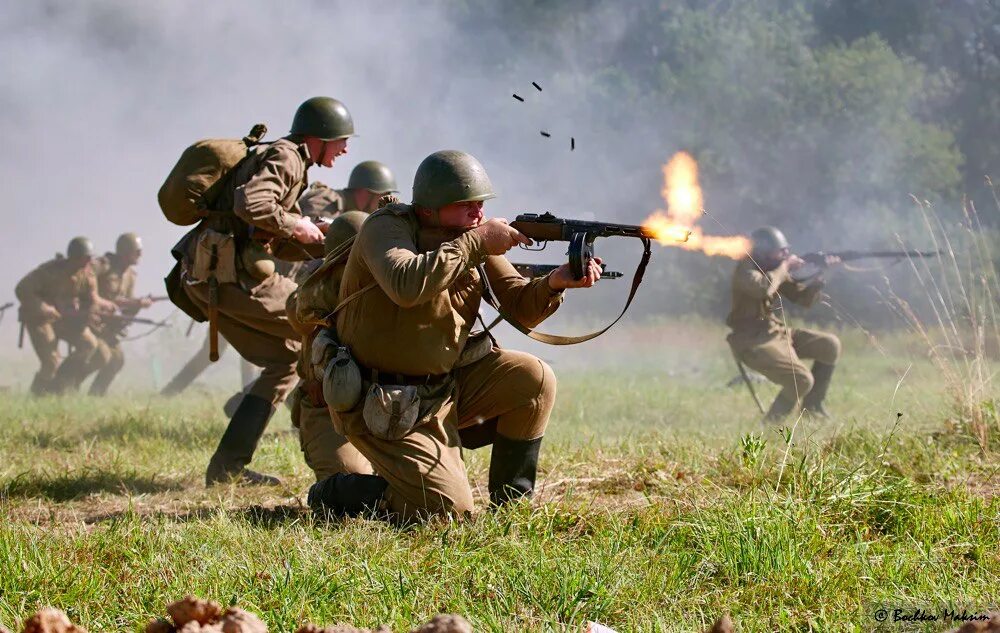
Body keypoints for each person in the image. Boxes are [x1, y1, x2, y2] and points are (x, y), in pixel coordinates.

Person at [306, 149, 603, 522]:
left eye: (480, 204)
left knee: (534, 378)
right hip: (381, 399)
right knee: (448, 513)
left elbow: (519, 304)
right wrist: (477, 242)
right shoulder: (385, 228)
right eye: (466, 205)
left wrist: (555, 282)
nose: (477, 214)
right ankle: (339, 493)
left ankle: (511, 508)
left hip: (443, 390)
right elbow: (405, 284)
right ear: (429, 208)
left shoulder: (466, 237)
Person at [169, 96, 355, 485]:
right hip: (233, 277)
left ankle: (225, 470)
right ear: (319, 137)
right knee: (324, 324)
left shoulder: (289, 158)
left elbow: (256, 220)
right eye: (341, 140)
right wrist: (295, 225)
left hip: (216, 277)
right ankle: (340, 462)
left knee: (285, 361)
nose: (345, 149)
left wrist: (307, 229)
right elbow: (250, 202)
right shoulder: (288, 156)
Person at [726, 227, 842, 422]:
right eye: (781, 251)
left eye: (786, 251)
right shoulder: (745, 270)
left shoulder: (774, 269)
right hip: (751, 341)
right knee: (801, 380)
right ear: (763, 253)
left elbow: (803, 299)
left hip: (774, 332)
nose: (786, 255)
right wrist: (785, 266)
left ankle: (812, 408)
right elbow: (763, 288)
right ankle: (771, 425)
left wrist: (822, 277)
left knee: (829, 345)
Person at [15, 237, 117, 395]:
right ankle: (36, 397)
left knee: (89, 344)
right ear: (74, 257)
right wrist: (43, 307)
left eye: (91, 257)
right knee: (51, 361)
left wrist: (104, 306)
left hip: (65, 318)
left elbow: (92, 298)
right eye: (86, 257)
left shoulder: (88, 273)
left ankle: (59, 384)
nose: (90, 261)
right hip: (40, 318)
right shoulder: (50, 272)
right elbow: (22, 289)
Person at [72, 233, 154, 395]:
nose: (140, 254)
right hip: (90, 322)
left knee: (117, 360)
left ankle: (96, 395)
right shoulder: (104, 265)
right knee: (102, 356)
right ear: (125, 251)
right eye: (136, 251)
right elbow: (83, 277)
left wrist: (137, 305)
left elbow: (125, 306)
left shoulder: (130, 275)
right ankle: (70, 384)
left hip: (108, 328)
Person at [297, 160, 397, 220]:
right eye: (384, 195)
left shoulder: (353, 215)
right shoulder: (329, 200)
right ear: (367, 191)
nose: (385, 203)